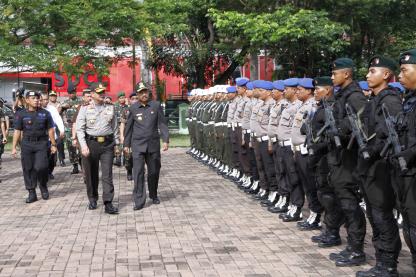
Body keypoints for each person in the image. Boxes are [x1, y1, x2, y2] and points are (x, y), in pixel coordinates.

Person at [355, 56, 403, 276]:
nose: (367, 75)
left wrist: (371, 151)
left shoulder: (390, 101)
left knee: (382, 215)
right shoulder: (374, 100)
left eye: (372, 71)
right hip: (369, 166)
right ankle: (381, 261)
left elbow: (387, 137)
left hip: (381, 167)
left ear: (386, 75)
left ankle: (388, 264)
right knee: (375, 215)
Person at [328, 58, 368, 267]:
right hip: (340, 156)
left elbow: (361, 124)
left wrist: (341, 128)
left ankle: (357, 250)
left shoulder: (354, 96)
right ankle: (352, 247)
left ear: (347, 74)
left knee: (351, 205)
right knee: (344, 203)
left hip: (349, 158)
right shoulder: (343, 95)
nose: (332, 76)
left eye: (335, 73)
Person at [123, 83, 169, 210]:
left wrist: (165, 140)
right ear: (137, 94)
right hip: (137, 145)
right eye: (141, 92)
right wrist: (126, 144)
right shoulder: (133, 108)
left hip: (153, 145)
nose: (144, 94)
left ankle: (153, 195)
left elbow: (162, 124)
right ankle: (139, 200)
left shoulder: (156, 105)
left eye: (146, 92)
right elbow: (129, 128)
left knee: (154, 171)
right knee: (138, 172)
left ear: (149, 93)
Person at [76, 84, 120, 214]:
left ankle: (108, 202)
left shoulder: (110, 107)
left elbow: (115, 127)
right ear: (93, 94)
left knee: (107, 174)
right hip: (91, 144)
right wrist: (83, 146)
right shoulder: (84, 109)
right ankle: (92, 198)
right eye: (99, 92)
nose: (102, 94)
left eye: (103, 92)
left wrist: (117, 144)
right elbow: (79, 129)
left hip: (107, 144)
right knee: (91, 174)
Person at [392, 48, 416, 274]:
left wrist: (409, 152)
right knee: (409, 224)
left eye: (404, 71)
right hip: (405, 173)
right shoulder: (408, 100)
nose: (399, 76)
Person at [11, 90, 57, 203]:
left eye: (37, 98)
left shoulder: (45, 113)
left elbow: (50, 129)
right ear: (27, 100)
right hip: (26, 144)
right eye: (33, 98)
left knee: (41, 167)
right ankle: (32, 192)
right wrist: (13, 147)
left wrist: (53, 144)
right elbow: (17, 131)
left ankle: (43, 185)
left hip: (41, 143)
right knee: (28, 168)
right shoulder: (21, 114)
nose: (36, 100)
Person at [40, 92, 65, 180]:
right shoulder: (37, 109)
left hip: (52, 137)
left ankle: (49, 171)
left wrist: (62, 130)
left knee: (53, 158)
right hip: (41, 138)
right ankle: (43, 174)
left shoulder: (52, 109)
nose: (46, 101)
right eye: (44, 99)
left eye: (47, 99)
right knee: (43, 157)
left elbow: (58, 119)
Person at [61, 88, 82, 172]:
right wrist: (64, 106)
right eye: (69, 93)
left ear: (75, 92)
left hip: (79, 127)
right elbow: (59, 109)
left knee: (80, 146)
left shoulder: (81, 102)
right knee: (71, 148)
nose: (71, 94)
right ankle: (75, 166)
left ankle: (82, 165)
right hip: (69, 128)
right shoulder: (65, 102)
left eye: (72, 93)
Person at [48, 90, 65, 166]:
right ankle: (53, 160)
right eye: (51, 96)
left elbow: (58, 112)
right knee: (52, 142)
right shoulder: (47, 104)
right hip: (50, 127)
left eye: (54, 96)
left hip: (57, 127)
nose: (52, 97)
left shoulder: (59, 104)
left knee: (60, 144)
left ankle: (61, 159)